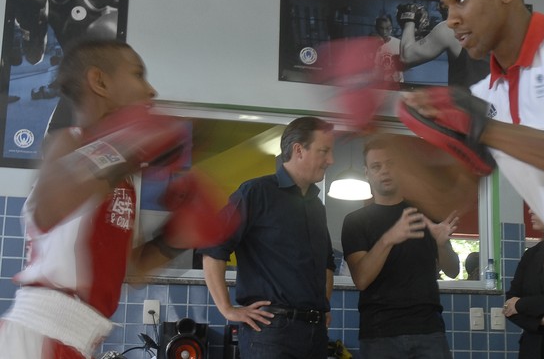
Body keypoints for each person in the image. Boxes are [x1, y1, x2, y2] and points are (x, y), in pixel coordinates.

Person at [401, 0, 544, 357]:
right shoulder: (486, 95)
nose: (450, 18)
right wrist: (387, 148)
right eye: (445, 6)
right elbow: (453, 192)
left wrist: (481, 127)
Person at [0, 39, 225, 358]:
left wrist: (175, 237)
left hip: (77, 340)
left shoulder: (123, 179)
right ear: (99, 81)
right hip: (36, 336)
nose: (151, 91)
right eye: (138, 75)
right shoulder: (68, 143)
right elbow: (49, 208)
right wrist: (132, 143)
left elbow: (132, 271)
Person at [199, 116, 337, 359]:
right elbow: (213, 248)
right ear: (298, 150)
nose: (331, 160)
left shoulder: (317, 206)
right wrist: (227, 309)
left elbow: (327, 263)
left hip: (314, 333)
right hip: (270, 333)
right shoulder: (255, 192)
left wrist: (322, 306)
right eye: (324, 151)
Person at [341, 136, 460, 359]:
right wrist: (389, 239)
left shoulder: (424, 213)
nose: (384, 171)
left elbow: (453, 270)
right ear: (367, 173)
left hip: (429, 330)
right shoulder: (355, 221)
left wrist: (442, 245)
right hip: (379, 334)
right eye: (377, 166)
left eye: (391, 164)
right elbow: (362, 279)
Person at [15, 0, 120, 129]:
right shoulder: (41, 4)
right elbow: (34, 58)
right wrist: (29, 28)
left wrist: (116, 22)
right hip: (78, 82)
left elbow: (136, 0)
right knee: (53, 139)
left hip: (109, 80)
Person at [503, 209, 544, 359]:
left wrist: (520, 305)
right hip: (531, 347)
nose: (530, 210)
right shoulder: (531, 254)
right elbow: (508, 303)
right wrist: (541, 321)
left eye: (536, 203)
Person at [397, 4, 489, 89]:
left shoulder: (451, 29)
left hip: (466, 104)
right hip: (496, 104)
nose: (438, 8)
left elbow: (407, 57)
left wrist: (409, 19)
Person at [373, 15, 404, 83]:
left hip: (398, 84)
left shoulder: (399, 44)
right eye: (381, 28)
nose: (384, 32)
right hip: (380, 85)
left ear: (391, 28)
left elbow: (406, 63)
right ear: (377, 29)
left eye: (387, 28)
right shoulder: (373, 45)